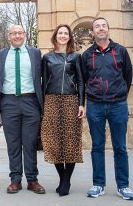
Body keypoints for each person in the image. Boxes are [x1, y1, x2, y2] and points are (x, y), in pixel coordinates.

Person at [82, 17, 133, 200]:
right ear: (93, 32)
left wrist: (120, 94)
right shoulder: (87, 55)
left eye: (103, 25)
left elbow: (128, 76)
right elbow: (84, 80)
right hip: (95, 105)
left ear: (108, 29)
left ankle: (123, 185)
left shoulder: (120, 51)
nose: (100, 29)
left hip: (118, 105)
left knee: (120, 147)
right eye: (97, 26)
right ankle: (98, 184)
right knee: (97, 147)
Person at [0, 24, 45, 195]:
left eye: (20, 33)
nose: (17, 36)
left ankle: (32, 180)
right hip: (8, 102)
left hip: (31, 101)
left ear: (25, 35)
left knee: (30, 142)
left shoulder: (35, 53)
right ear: (8, 36)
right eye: (13, 33)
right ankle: (15, 180)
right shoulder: (0, 54)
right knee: (13, 144)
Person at [41, 24, 85, 196]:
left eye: (66, 33)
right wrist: (42, 104)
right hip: (51, 100)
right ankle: (62, 178)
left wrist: (81, 103)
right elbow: (43, 82)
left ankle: (66, 181)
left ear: (69, 36)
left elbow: (81, 81)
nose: (63, 36)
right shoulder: (47, 57)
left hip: (71, 100)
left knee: (70, 142)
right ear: (55, 36)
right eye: (60, 33)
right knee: (54, 141)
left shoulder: (76, 57)